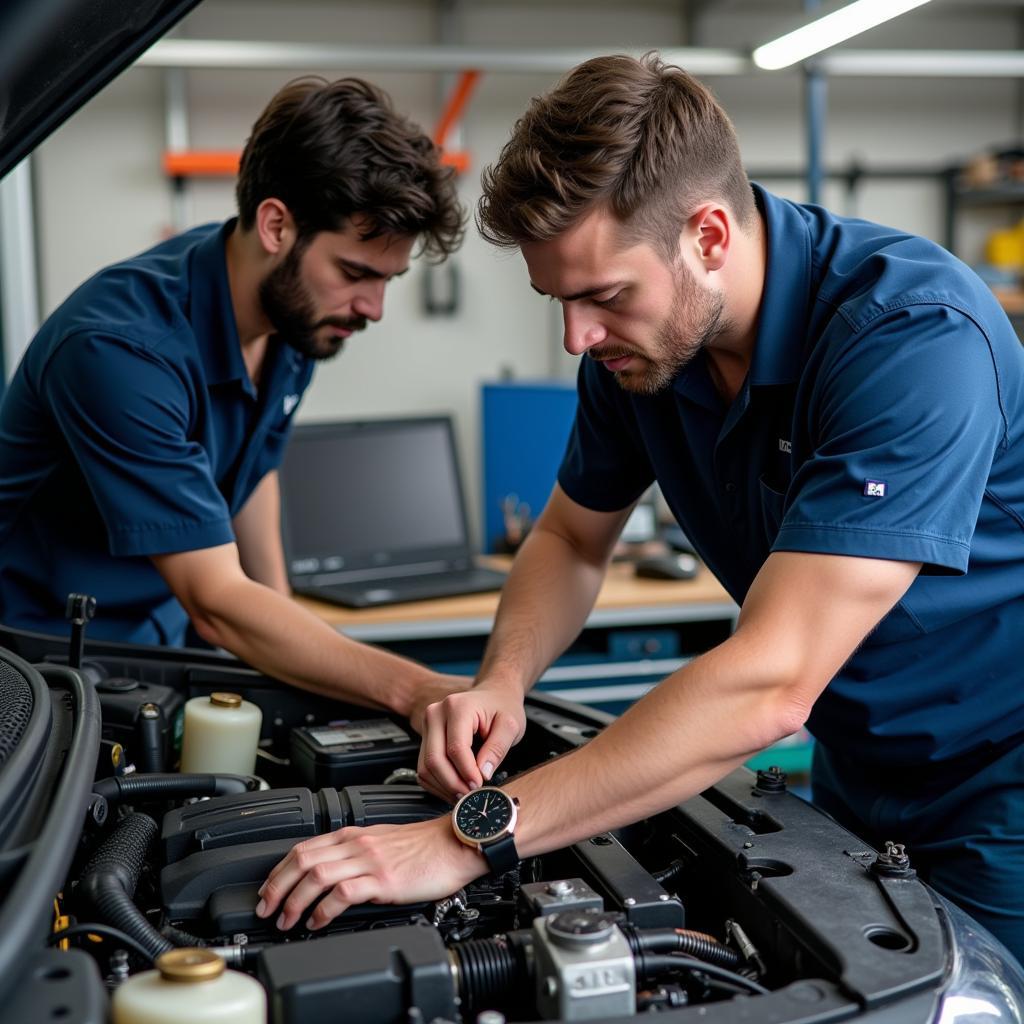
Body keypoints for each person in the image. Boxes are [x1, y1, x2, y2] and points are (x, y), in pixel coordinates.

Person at [254, 54, 1024, 961]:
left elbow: (773, 680)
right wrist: (503, 680)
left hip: (999, 782)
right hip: (858, 766)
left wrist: (464, 838)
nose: (579, 338)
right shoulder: (641, 355)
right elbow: (571, 537)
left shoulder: (911, 336)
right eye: (559, 301)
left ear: (707, 236)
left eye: (605, 296)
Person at [0, 76, 469, 729]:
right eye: (356, 273)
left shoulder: (294, 319)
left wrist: (282, 627)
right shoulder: (119, 352)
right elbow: (216, 601)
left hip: (159, 640)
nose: (374, 309)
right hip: (36, 671)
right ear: (276, 224)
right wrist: (417, 691)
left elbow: (252, 473)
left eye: (387, 280)